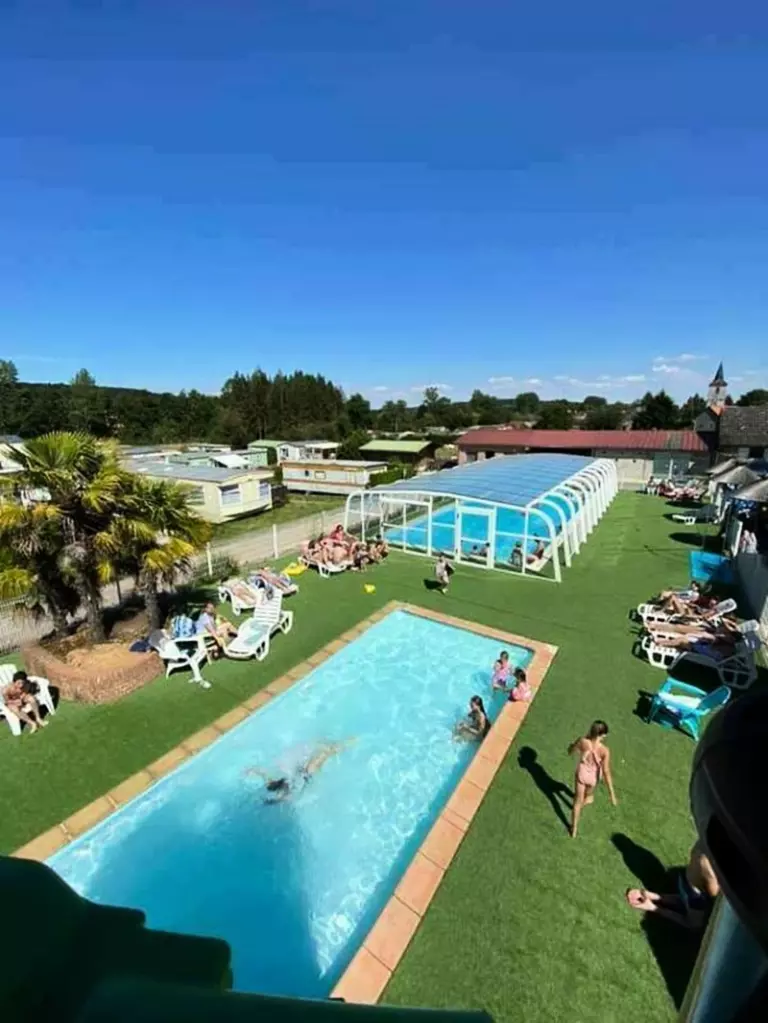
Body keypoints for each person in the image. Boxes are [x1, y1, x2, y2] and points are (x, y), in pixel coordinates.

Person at [625, 840, 720, 929]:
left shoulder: (706, 839)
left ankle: (657, 897)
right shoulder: (710, 868)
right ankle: (653, 907)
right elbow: (714, 897)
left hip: (683, 880)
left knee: (695, 890)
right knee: (694, 924)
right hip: (692, 895)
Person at [246, 740, 355, 803]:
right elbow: (265, 776)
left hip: (303, 771)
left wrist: (252, 770)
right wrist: (253, 771)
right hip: (306, 773)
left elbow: (264, 775)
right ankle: (346, 744)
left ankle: (342, 745)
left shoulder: (280, 788)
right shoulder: (285, 791)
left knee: (323, 754)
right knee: (325, 754)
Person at [568, 720, 617, 837]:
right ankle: (586, 800)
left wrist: (573, 747)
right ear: (602, 735)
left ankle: (574, 829)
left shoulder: (582, 741)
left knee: (577, 802)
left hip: (581, 774)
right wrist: (612, 794)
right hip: (593, 778)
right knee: (588, 796)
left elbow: (570, 751)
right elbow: (606, 771)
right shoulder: (605, 751)